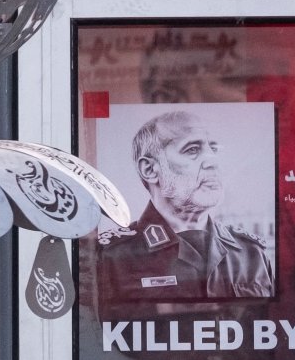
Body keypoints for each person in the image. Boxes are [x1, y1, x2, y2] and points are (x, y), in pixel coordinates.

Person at [97, 110, 273, 301]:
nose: (212, 161)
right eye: (192, 150)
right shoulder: (111, 258)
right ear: (150, 169)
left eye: (213, 149)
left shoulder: (251, 254)